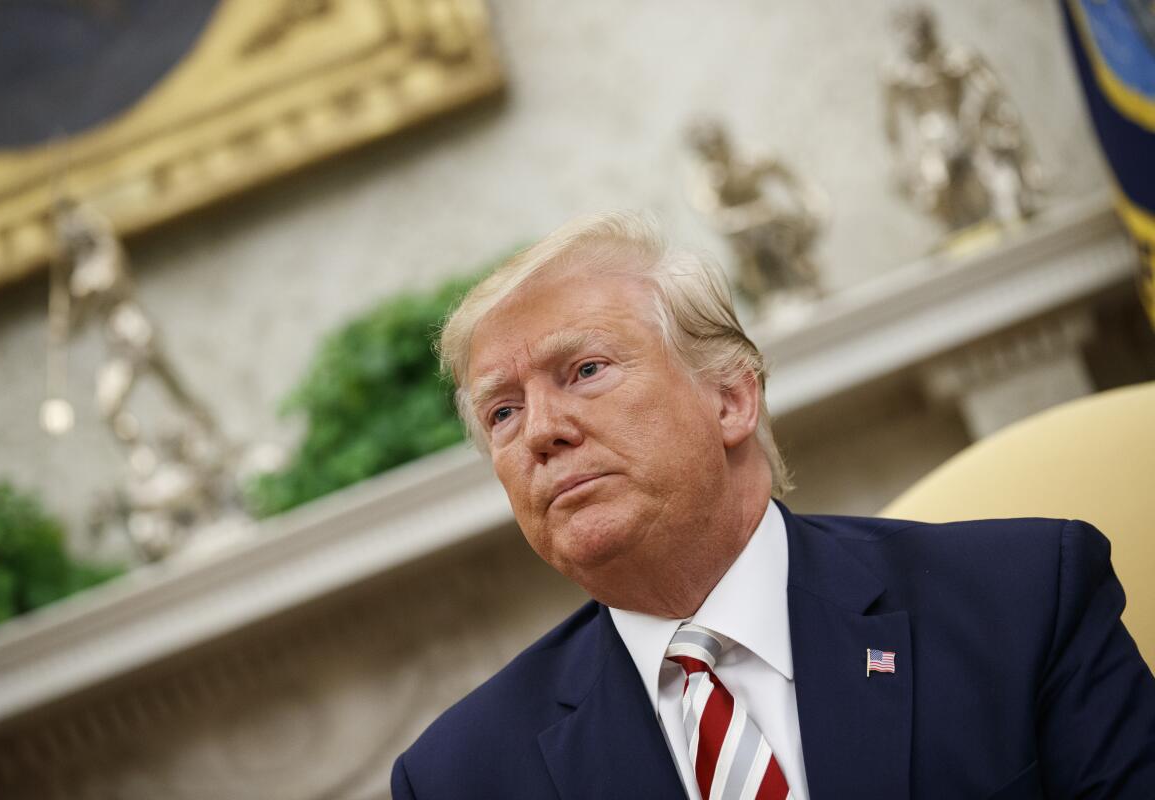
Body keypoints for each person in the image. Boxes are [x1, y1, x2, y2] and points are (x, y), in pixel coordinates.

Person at [391, 213, 1155, 799]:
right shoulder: (461, 776)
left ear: (730, 398)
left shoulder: (1019, 601)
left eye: (585, 370)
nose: (542, 433)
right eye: (502, 414)